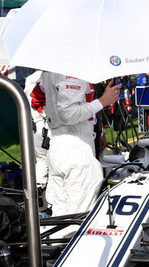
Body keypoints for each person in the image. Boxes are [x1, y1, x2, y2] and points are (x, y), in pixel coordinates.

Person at [42, 72, 120, 216]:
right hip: (75, 152)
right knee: (79, 219)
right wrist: (103, 101)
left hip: (58, 147)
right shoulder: (72, 69)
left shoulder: (51, 69)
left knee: (60, 216)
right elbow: (68, 114)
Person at [24, 70, 50, 190]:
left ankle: (38, 186)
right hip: (49, 124)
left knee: (41, 159)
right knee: (52, 161)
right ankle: (50, 199)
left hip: (35, 125)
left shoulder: (29, 79)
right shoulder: (52, 76)